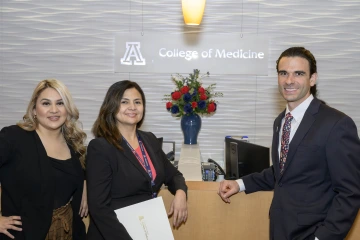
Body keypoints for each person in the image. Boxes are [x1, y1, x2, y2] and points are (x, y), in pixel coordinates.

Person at [218, 47, 360, 240]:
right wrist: (240, 183)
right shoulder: (281, 121)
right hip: (280, 229)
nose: (289, 80)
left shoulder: (336, 124)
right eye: (283, 73)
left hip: (313, 233)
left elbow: (350, 192)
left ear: (312, 79)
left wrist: (323, 238)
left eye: (298, 74)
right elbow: (282, 171)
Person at [86, 80, 188, 240]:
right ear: (112, 107)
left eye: (137, 102)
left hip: (146, 229)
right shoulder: (100, 147)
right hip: (113, 233)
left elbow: (174, 175)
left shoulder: (149, 139)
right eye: (124, 102)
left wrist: (181, 193)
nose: (132, 107)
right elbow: (99, 208)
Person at [0, 79, 88, 240]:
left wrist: (85, 183)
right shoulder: (13, 138)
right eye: (46, 103)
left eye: (60, 103)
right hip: (24, 234)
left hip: (67, 231)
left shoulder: (72, 143)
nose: (54, 110)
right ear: (34, 110)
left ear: (67, 109)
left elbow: (75, 172)